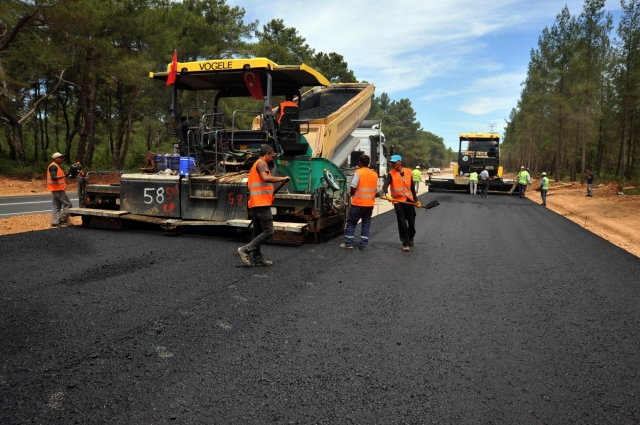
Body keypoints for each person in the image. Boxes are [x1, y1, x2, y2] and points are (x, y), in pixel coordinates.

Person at [238, 145, 290, 267]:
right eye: (271, 156)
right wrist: (282, 178)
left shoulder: (257, 163)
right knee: (268, 231)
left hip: (257, 202)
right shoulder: (262, 164)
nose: (272, 159)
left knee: (257, 233)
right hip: (261, 203)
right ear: (267, 155)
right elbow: (266, 178)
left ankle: (258, 259)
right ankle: (245, 250)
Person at [383, 154, 421, 251]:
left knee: (412, 222)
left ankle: (411, 236)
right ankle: (405, 243)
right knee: (402, 222)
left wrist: (416, 200)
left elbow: (412, 187)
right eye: (391, 162)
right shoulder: (391, 174)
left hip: (409, 201)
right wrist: (387, 194)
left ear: (400, 162)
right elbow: (385, 185)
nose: (392, 164)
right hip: (398, 202)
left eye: (394, 162)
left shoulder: (408, 172)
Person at [341, 154, 377, 251]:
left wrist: (352, 194)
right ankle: (363, 245)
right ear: (368, 163)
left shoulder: (358, 172)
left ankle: (348, 243)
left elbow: (353, 186)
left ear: (360, 163)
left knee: (351, 222)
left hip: (358, 203)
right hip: (369, 204)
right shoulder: (374, 174)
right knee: (366, 223)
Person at [47, 152, 73, 227]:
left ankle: (55, 222)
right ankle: (63, 220)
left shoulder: (56, 166)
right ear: (56, 158)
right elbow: (54, 177)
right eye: (61, 158)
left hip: (54, 190)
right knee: (68, 204)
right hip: (58, 189)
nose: (62, 159)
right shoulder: (53, 166)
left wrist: (65, 174)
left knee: (56, 206)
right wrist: (63, 176)